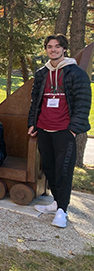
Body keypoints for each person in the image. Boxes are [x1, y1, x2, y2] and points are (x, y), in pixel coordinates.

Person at [28, 34, 91, 228]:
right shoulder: (42, 73)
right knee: (48, 167)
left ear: (64, 49)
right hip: (44, 129)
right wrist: (33, 123)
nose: (53, 49)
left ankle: (62, 211)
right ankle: (56, 202)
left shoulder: (76, 73)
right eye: (49, 46)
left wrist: (73, 130)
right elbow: (35, 101)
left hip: (64, 130)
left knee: (63, 171)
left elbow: (83, 103)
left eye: (57, 46)